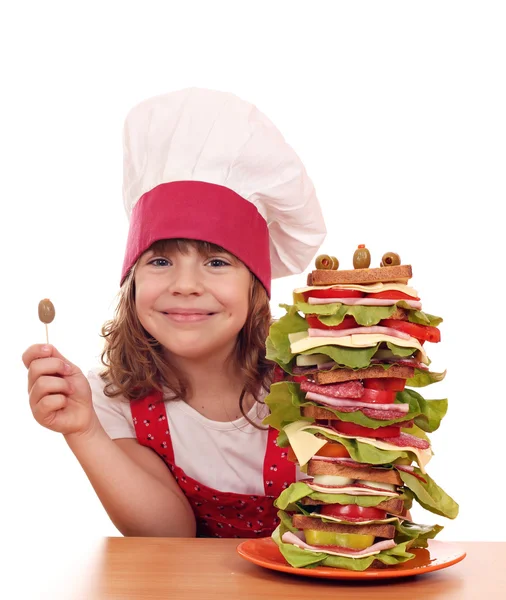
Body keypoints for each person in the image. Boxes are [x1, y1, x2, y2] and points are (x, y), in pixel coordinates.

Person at [22, 88, 326, 538]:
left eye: (217, 262)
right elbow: (169, 534)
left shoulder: (318, 391)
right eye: (160, 261)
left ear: (255, 287)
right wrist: (84, 432)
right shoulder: (114, 401)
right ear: (133, 282)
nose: (185, 285)